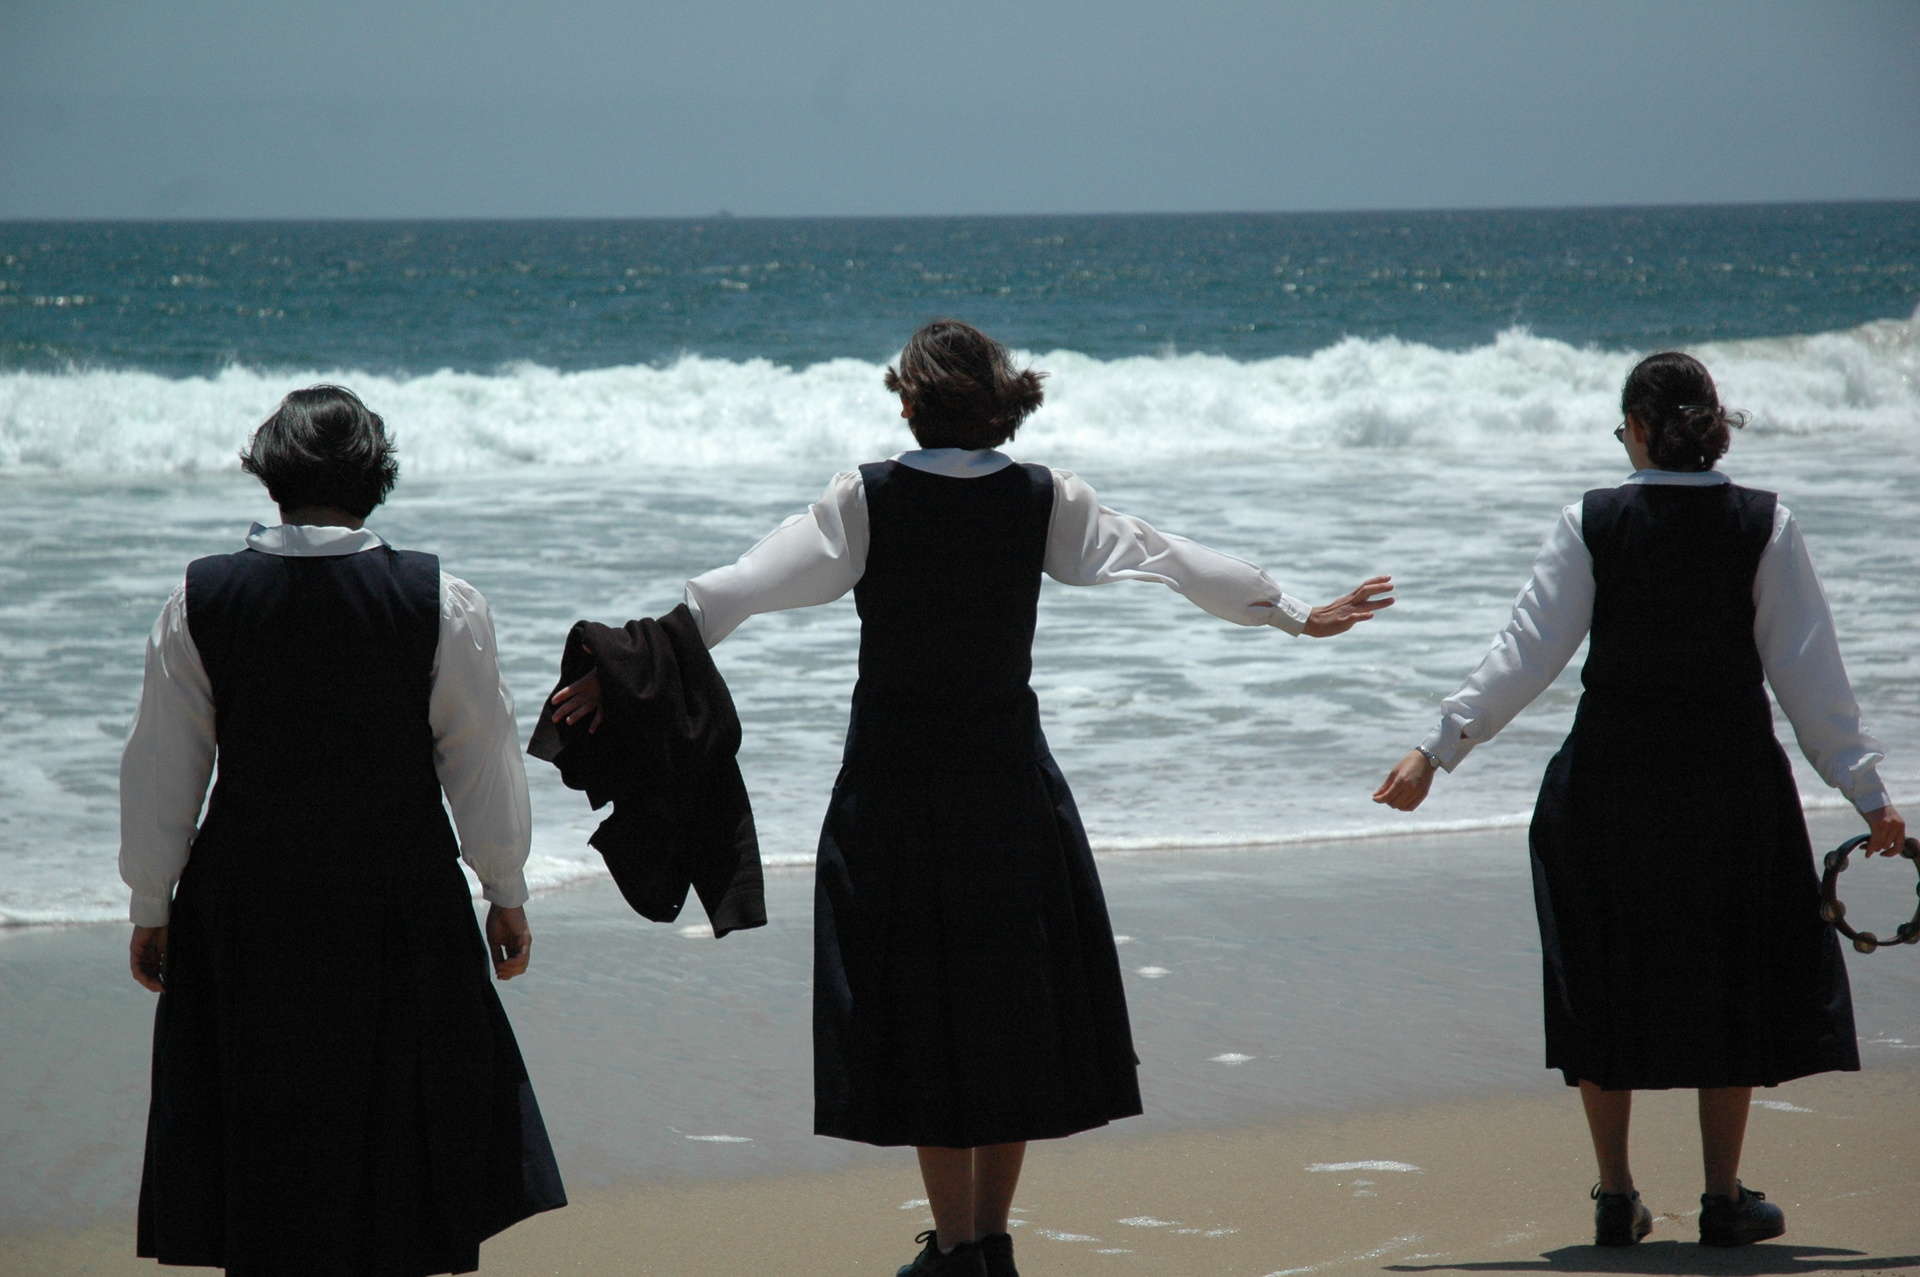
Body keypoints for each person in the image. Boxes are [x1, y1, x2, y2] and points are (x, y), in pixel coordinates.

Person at [551, 319, 1394, 1277]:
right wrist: (1292, 612)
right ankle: (987, 1244)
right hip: (1009, 792)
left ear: (911, 402)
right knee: (1006, 1013)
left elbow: (732, 593)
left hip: (894, 796)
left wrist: (620, 673)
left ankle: (954, 1249)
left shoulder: (865, 499)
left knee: (921, 1015)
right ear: (1001, 404)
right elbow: (1164, 557)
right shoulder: (1043, 498)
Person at [1372, 352, 1904, 1249]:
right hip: (1730, 789)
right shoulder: (1765, 524)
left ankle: (1616, 1193)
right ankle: (1723, 1198)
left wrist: (1438, 749)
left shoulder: (1595, 519)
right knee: (1726, 981)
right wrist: (1870, 796)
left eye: (1623, 429)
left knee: (1604, 980)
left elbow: (1525, 653)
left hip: (1610, 789)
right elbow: (1812, 680)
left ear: (1644, 429)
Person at [121, 386, 566, 1275]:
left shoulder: (200, 599)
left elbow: (163, 772)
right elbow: (479, 762)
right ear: (377, 477)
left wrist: (150, 901)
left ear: (270, 472)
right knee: (398, 1158)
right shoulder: (440, 599)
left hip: (250, 908)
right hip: (399, 901)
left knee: (265, 1162)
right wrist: (504, 889)